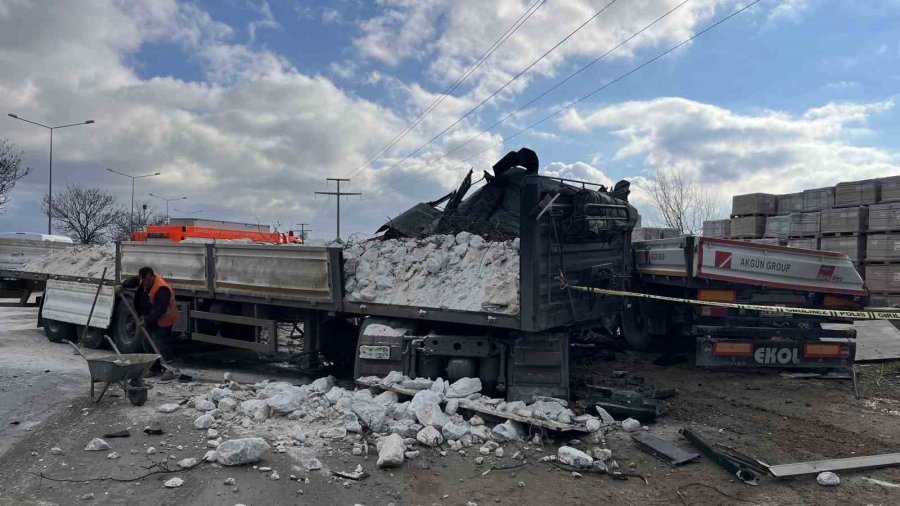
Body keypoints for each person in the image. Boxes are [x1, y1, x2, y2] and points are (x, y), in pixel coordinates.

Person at [122, 266, 179, 380]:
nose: (146, 283)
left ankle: (169, 369)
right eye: (144, 281)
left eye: (148, 281)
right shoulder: (142, 280)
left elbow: (160, 309)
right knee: (147, 342)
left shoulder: (162, 288)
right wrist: (122, 286)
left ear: (153, 276)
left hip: (164, 318)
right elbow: (133, 281)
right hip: (150, 316)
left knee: (161, 342)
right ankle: (154, 368)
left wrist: (146, 320)